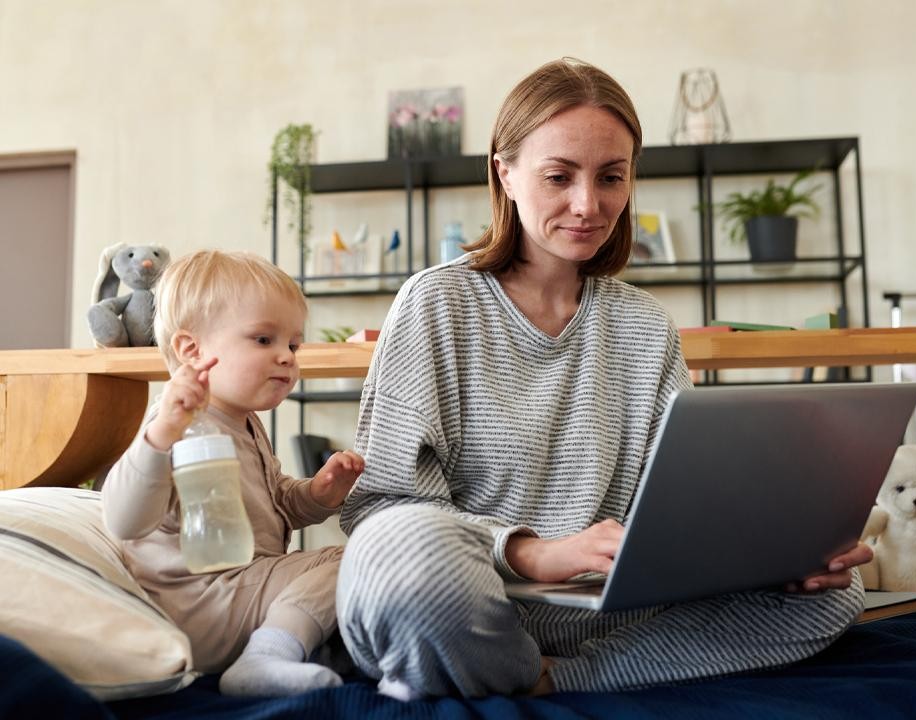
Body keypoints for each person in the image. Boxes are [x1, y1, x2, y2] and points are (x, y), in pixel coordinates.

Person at [334, 58, 872, 699]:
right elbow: (378, 507)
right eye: (559, 176)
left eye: (611, 177)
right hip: (474, 600)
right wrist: (530, 553)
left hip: (611, 610)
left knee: (838, 594)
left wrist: (780, 552)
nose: (588, 205)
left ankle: (553, 679)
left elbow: (683, 502)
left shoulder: (645, 324)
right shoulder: (435, 303)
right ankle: (524, 663)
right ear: (504, 173)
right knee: (403, 550)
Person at [102, 249, 364, 697]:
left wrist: (318, 494)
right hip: (203, 605)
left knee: (365, 588)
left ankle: (299, 652)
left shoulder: (245, 423)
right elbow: (124, 520)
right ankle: (264, 658)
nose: (286, 356)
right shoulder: (172, 425)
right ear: (192, 350)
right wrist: (162, 432)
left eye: (293, 345)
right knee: (353, 557)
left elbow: (275, 503)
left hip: (248, 589)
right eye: (264, 340)